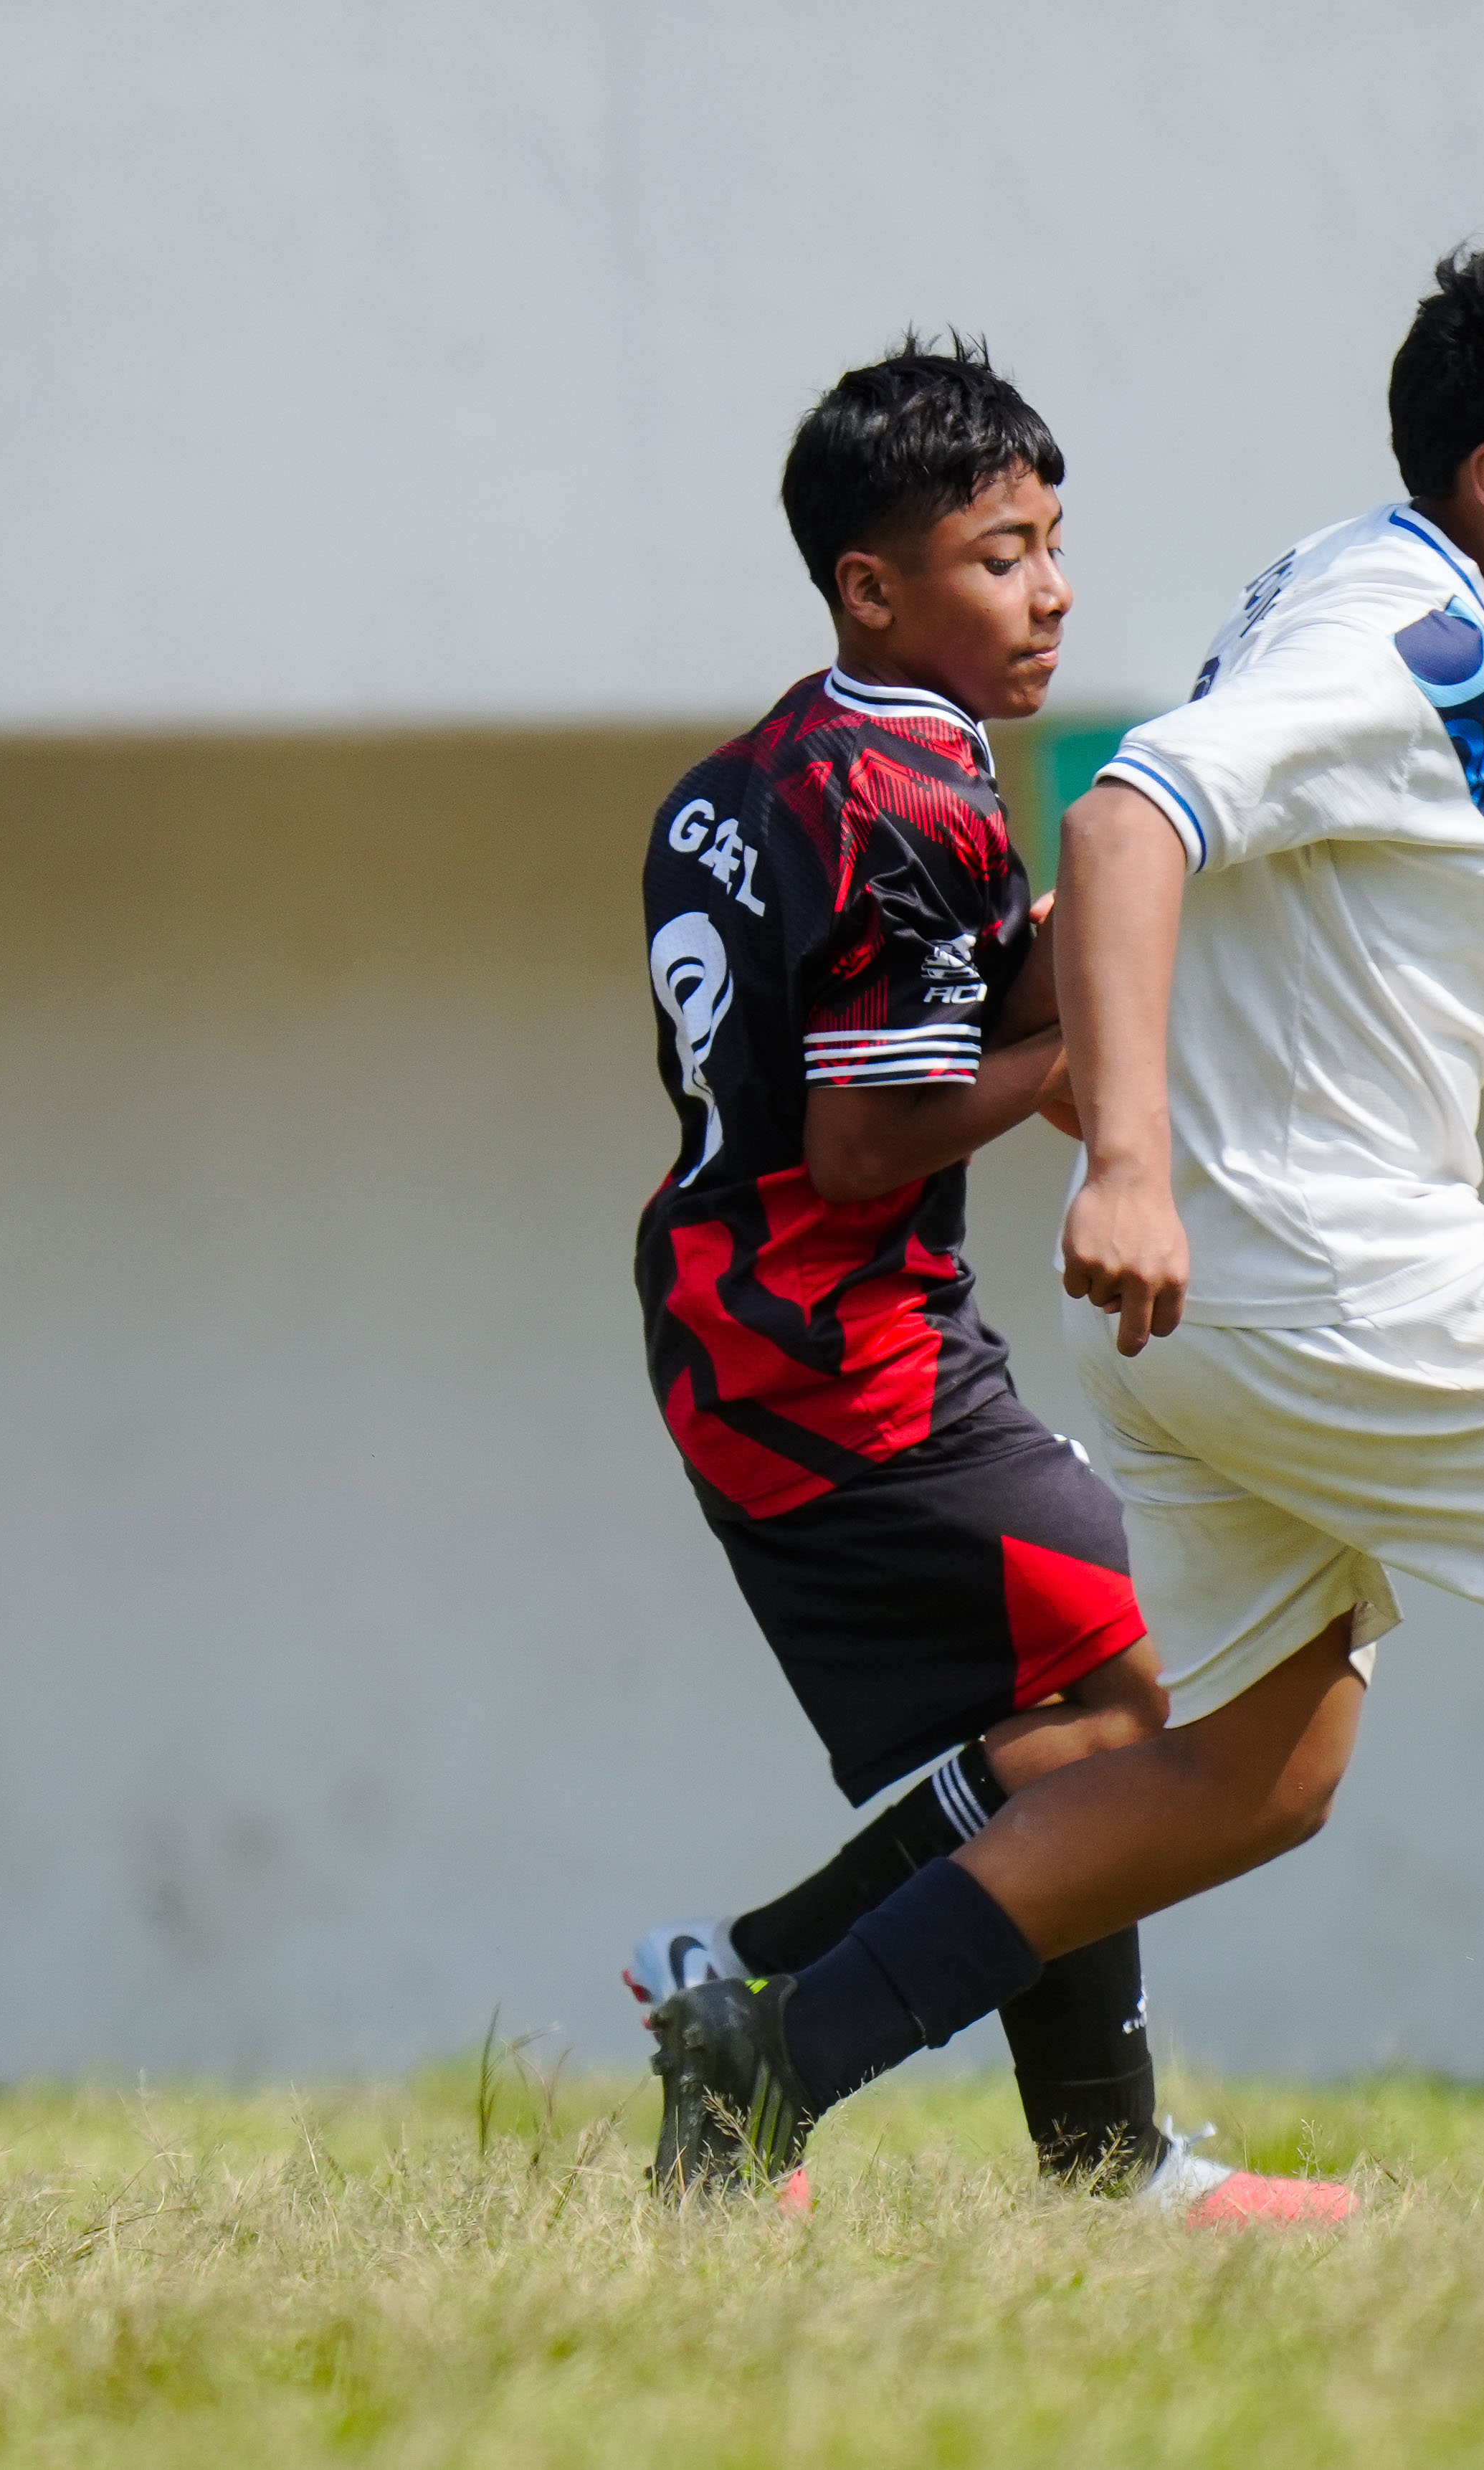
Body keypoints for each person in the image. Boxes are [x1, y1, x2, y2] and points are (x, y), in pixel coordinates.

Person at [646, 222, 1484, 2190]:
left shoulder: (1353, 584)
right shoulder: (1404, 637)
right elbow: (1129, 812)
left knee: (1242, 1775)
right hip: (1344, 1273)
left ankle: (775, 2054)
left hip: (1216, 1320)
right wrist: (1127, 1164)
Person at [623, 336, 1346, 2223]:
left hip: (769, 1326)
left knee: (1091, 1724)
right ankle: (790, 2013)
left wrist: (1102, 926)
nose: (1056, 587)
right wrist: (1110, 1051)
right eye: (1006, 553)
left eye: (1053, 543)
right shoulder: (907, 805)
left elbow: (903, 1016)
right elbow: (872, 1137)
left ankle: (1044, 2128)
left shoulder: (787, 764)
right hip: (835, 1352)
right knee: (1157, 1714)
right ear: (877, 585)